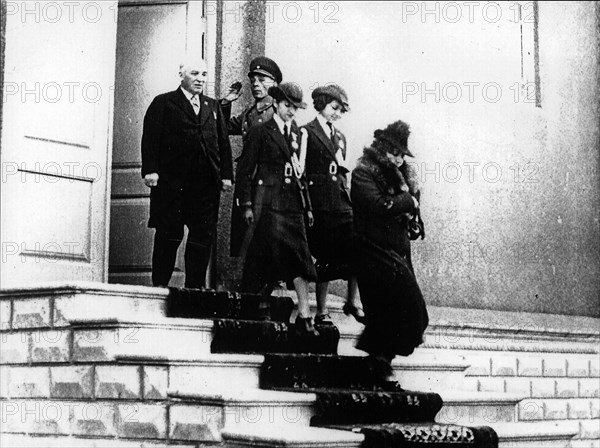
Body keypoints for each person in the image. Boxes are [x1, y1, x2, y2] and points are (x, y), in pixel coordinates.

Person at [141, 58, 233, 289]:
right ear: (181, 75)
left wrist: (226, 175)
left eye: (204, 74)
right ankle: (159, 287)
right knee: (169, 234)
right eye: (195, 73)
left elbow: (223, 142)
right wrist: (150, 170)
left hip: (205, 185)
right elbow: (151, 138)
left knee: (202, 236)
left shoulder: (212, 106)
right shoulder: (164, 102)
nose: (200, 79)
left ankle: (195, 288)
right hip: (173, 184)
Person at [236, 82, 318, 335]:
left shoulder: (297, 136)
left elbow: (300, 175)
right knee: (271, 257)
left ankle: (304, 315)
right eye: (287, 106)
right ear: (276, 104)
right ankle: (262, 307)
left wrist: (308, 208)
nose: (291, 112)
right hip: (268, 206)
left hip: (292, 206)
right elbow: (245, 170)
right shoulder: (261, 132)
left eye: (295, 108)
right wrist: (247, 204)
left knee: (300, 257)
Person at [350, 119, 428, 385]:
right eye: (393, 152)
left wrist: (413, 206)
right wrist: (408, 200)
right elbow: (378, 205)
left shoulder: (404, 175)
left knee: (407, 311)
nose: (397, 159)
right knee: (400, 305)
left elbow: (407, 208)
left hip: (397, 249)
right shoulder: (363, 172)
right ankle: (378, 363)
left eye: (401, 154)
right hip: (373, 249)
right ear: (381, 148)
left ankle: (380, 362)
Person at [302, 84, 364, 325]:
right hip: (319, 204)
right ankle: (321, 309)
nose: (336, 113)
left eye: (340, 110)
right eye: (333, 107)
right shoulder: (307, 131)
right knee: (324, 257)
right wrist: (306, 205)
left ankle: (352, 300)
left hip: (340, 202)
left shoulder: (340, 137)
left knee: (357, 246)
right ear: (321, 105)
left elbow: (343, 171)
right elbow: (302, 170)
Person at [221, 57, 284, 260]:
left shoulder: (277, 113)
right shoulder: (250, 113)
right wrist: (226, 102)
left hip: (269, 187)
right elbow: (222, 128)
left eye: (262, 80)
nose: (256, 84)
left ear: (275, 84)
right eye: (253, 80)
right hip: (251, 185)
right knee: (253, 244)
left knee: (268, 242)